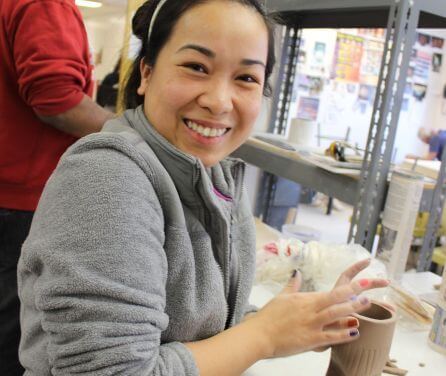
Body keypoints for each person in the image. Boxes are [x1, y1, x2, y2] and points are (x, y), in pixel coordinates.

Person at [17, 1, 389, 375]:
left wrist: (296, 322)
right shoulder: (105, 177)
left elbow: (203, 323)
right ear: (146, 72)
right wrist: (264, 336)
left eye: (246, 78)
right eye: (196, 67)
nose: (218, 101)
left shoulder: (216, 176)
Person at [0, 1, 114, 374]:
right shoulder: (42, 4)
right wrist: (133, 136)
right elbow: (56, 101)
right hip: (20, 202)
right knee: (13, 342)